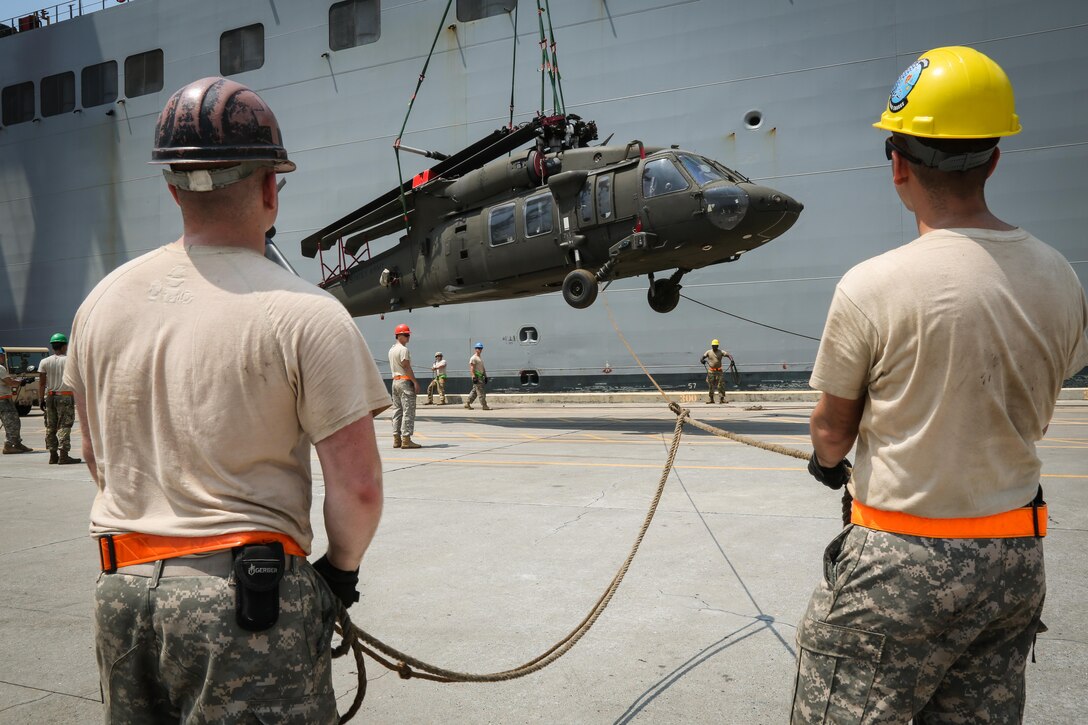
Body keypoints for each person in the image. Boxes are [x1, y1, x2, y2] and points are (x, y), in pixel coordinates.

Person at [64, 77, 390, 724]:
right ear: (271, 188)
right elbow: (358, 488)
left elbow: (95, 454)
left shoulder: (101, 302)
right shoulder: (306, 312)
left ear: (173, 187)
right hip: (246, 603)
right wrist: (339, 575)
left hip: (122, 592)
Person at [792, 47, 1088, 723]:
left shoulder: (871, 286)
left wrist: (824, 464)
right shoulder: (1058, 276)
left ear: (898, 163)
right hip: (1014, 558)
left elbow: (833, 432)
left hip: (900, 562)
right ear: (994, 158)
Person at [38, 332, 81, 465]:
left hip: (50, 396)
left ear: (53, 346)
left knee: (51, 426)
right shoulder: (70, 361)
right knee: (64, 425)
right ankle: (64, 455)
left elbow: (41, 383)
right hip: (65, 397)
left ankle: (53, 455)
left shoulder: (44, 361)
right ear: (64, 346)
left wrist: (41, 400)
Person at [388, 323, 422, 449]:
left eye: (408, 335)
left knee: (397, 411)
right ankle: (406, 440)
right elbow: (406, 366)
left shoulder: (391, 350)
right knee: (408, 410)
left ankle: (397, 439)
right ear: (399, 336)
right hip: (404, 382)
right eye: (406, 335)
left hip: (394, 382)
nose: (408, 337)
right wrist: (415, 382)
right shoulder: (403, 350)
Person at [0, 347, 32, 455]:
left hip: (3, 400)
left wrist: (20, 381)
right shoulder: (0, 368)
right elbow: (9, 382)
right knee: (12, 423)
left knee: (15, 421)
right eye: (2, 355)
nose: (3, 358)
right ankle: (8, 446)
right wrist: (22, 381)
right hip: (3, 401)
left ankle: (17, 444)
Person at [699, 338, 734, 404]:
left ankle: (722, 399)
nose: (714, 346)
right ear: (711, 346)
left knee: (721, 385)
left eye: (715, 345)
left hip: (719, 371)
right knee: (711, 385)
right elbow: (702, 357)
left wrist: (732, 360)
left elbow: (729, 355)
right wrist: (702, 360)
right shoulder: (708, 352)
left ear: (717, 346)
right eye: (713, 345)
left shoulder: (721, 352)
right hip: (711, 371)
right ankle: (711, 399)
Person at [465, 341, 491, 410]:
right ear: (475, 349)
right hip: (477, 377)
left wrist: (485, 376)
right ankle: (484, 406)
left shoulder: (479, 358)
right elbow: (472, 368)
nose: (479, 349)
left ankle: (467, 403)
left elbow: (482, 368)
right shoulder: (473, 358)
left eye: (480, 348)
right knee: (481, 392)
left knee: (474, 392)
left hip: (481, 377)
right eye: (478, 348)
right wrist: (474, 377)